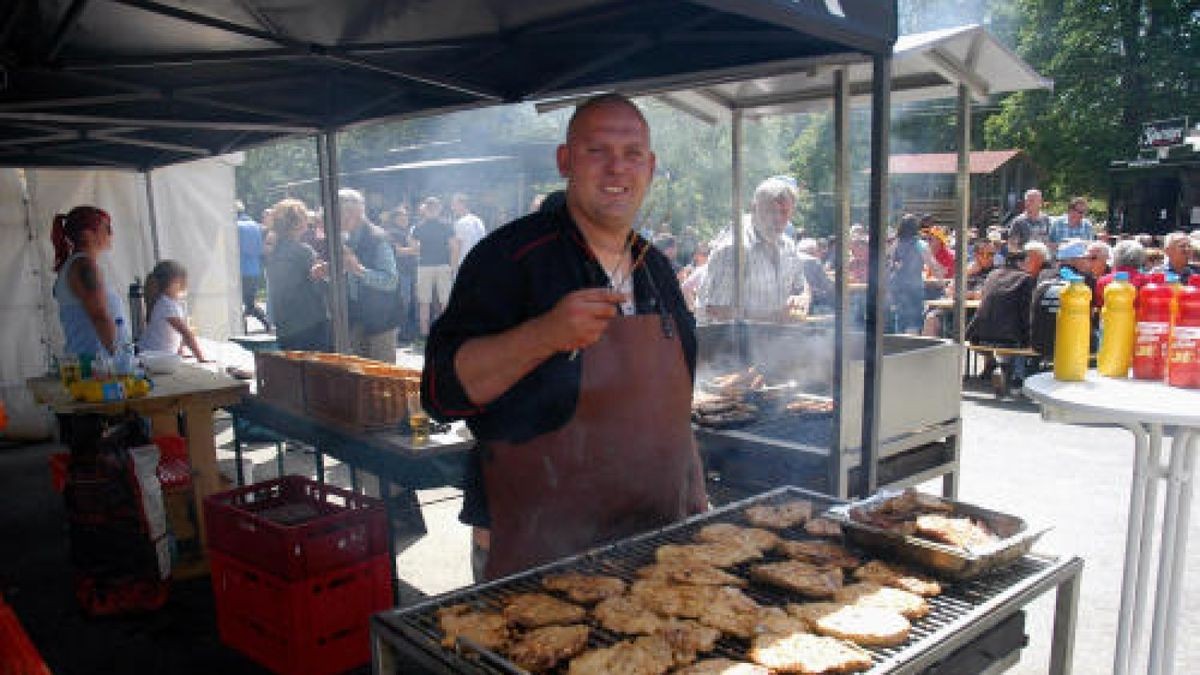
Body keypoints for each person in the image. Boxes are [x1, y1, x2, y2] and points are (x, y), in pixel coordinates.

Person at [422, 93, 707, 581]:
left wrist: (697, 498)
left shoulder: (656, 267)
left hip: (655, 541)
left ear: (651, 167)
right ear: (565, 161)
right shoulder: (509, 257)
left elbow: (675, 411)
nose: (617, 169)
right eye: (598, 151)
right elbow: (440, 393)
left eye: (632, 154)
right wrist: (544, 334)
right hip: (537, 549)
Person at [703, 177, 809, 322]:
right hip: (732, 343)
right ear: (754, 208)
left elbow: (802, 286)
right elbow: (715, 310)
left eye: (784, 212)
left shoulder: (789, 247)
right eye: (771, 211)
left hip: (778, 340)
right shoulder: (733, 249)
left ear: (792, 212)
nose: (777, 218)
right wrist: (772, 317)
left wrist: (802, 298)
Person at [51, 206, 129, 358]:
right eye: (107, 228)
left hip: (93, 363)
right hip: (96, 366)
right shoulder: (84, 266)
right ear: (88, 233)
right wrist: (121, 359)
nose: (111, 233)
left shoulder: (75, 264)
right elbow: (100, 316)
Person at [340, 188, 400, 361]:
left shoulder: (378, 239)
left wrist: (359, 271)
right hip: (358, 317)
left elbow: (391, 281)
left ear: (353, 213)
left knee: (383, 378)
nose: (334, 220)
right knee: (362, 376)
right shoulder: (347, 237)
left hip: (381, 320)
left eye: (338, 214)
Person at [265, 199, 331, 351]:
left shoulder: (273, 249)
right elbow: (319, 285)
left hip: (285, 323)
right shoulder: (303, 251)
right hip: (309, 323)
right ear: (297, 223)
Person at [139, 260, 206, 360]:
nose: (183, 290)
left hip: (154, 355)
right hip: (153, 357)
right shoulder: (166, 305)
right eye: (182, 285)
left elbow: (177, 334)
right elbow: (185, 332)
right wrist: (201, 357)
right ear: (174, 283)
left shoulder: (167, 303)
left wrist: (180, 351)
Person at [412, 196, 459, 337]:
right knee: (445, 301)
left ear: (425, 209)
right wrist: (453, 267)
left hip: (424, 266)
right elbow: (454, 247)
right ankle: (448, 334)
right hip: (443, 266)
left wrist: (422, 254)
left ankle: (424, 335)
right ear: (439, 209)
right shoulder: (447, 225)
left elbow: (415, 248)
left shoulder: (418, 227)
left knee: (424, 302)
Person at [887, 214, 933, 334]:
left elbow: (890, 265)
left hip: (897, 286)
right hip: (914, 287)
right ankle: (911, 349)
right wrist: (941, 278)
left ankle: (898, 347)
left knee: (900, 318)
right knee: (914, 319)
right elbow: (931, 263)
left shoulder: (895, 244)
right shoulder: (920, 244)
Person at [235, 202, 272, 333]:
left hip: (239, 270)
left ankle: (243, 329)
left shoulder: (235, 226)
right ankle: (266, 325)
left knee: (239, 303)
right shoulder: (255, 226)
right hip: (254, 270)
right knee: (249, 302)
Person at [1095, 239, 1148, 309]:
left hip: (1110, 318)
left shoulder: (1103, 281)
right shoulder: (1146, 281)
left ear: (1116, 256)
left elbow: (1100, 305)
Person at [1006, 188, 1051, 254]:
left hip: (1043, 258)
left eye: (1031, 201)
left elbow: (1048, 241)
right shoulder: (1018, 221)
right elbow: (1012, 246)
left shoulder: (1045, 219)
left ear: (1040, 202)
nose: (1028, 203)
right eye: (1026, 201)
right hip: (1025, 258)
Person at [450, 193, 487, 266]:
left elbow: (456, 247)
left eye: (454, 205)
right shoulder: (479, 221)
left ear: (462, 205)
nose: (452, 208)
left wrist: (453, 267)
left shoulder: (460, 223)